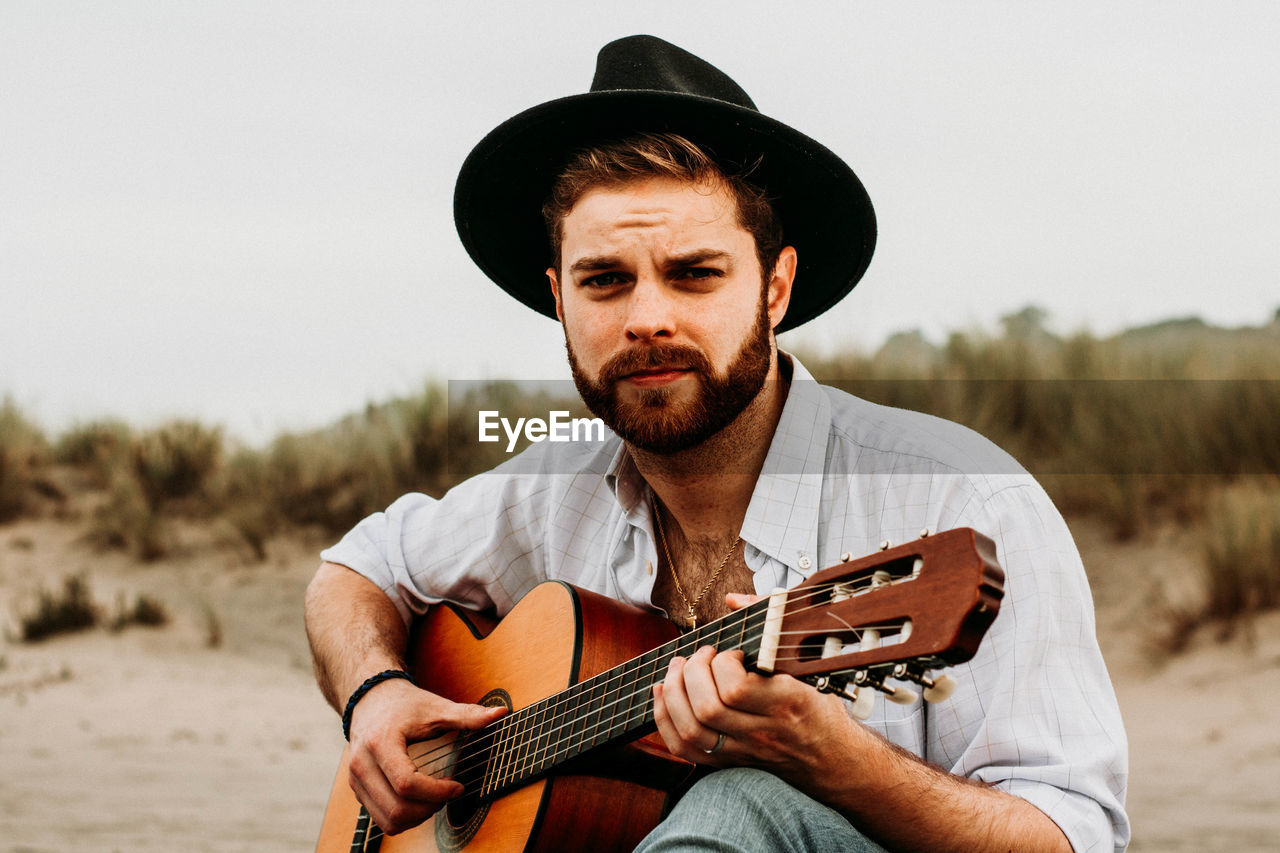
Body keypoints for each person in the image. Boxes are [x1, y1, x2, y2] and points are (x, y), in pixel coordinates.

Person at [305, 35, 1129, 852]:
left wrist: (838, 761)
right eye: (605, 280)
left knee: (744, 801)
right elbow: (353, 572)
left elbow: (1072, 835)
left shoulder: (962, 496)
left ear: (775, 288)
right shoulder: (552, 489)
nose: (645, 317)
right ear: (559, 299)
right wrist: (375, 693)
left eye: (694, 273)